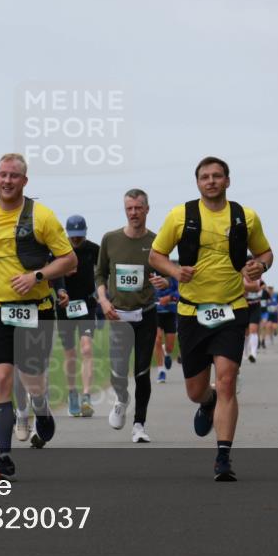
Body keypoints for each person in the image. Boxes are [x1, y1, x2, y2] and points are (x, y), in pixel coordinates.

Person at [0, 153, 76, 481]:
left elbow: (69, 260)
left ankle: (41, 407)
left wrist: (36, 277)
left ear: (24, 181)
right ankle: (4, 458)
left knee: (32, 380)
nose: (7, 181)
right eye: (2, 175)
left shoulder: (42, 217)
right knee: (1, 379)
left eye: (14, 176)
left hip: (36, 309)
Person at [149, 156, 273, 481]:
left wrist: (260, 266)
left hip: (232, 308)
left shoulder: (245, 217)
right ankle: (208, 401)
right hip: (191, 312)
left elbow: (266, 253)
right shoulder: (181, 215)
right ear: (198, 183)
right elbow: (155, 255)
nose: (212, 181)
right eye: (205, 176)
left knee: (229, 379)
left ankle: (223, 458)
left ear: (228, 181)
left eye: (217, 176)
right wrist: (176, 271)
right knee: (195, 390)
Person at [96, 189, 167, 444]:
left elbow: (165, 273)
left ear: (147, 209)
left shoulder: (157, 242)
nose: (134, 213)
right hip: (117, 315)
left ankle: (139, 424)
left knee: (141, 372)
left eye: (138, 208)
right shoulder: (110, 239)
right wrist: (103, 301)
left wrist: (163, 280)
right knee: (118, 370)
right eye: (129, 208)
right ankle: (122, 398)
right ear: (125, 210)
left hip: (145, 314)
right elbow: (100, 274)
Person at [53, 215, 100, 418]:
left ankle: (87, 396)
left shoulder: (92, 249)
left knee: (87, 349)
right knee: (70, 354)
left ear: (85, 232)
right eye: (73, 237)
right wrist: (61, 284)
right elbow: (50, 276)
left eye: (80, 236)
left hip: (86, 305)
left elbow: (105, 270)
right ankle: (72, 392)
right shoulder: (58, 251)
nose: (76, 240)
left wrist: (102, 290)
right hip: (65, 307)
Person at [153, 272, 179, 383]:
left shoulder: (172, 273)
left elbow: (181, 291)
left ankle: (166, 351)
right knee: (157, 339)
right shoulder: (150, 273)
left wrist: (170, 297)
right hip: (155, 313)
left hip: (170, 312)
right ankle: (161, 371)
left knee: (170, 347)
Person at [244, 274, 265, 363]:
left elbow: (263, 286)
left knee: (253, 329)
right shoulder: (242, 275)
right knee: (246, 332)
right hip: (244, 305)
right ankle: (245, 352)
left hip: (255, 305)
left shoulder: (258, 276)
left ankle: (253, 353)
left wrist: (261, 289)